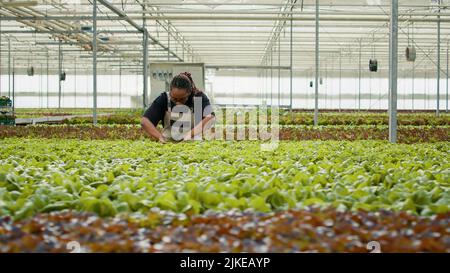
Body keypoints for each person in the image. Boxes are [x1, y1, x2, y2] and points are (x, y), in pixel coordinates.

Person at [141, 72, 215, 143]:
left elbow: (210, 117)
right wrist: (160, 137)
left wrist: (190, 134)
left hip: (193, 143)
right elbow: (145, 121)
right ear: (170, 91)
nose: (178, 102)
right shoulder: (164, 99)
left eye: (182, 99)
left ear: (189, 93)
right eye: (174, 98)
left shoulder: (198, 98)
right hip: (168, 144)